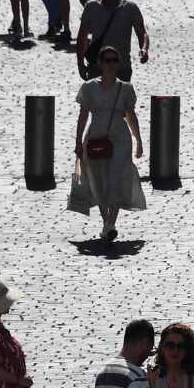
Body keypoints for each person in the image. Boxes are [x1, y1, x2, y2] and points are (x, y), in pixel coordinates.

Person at [73, 47, 145, 245]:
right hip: (96, 137)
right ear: (100, 63)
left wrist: (138, 140)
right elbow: (83, 115)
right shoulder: (88, 88)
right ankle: (106, 222)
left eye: (115, 60)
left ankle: (111, 223)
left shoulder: (126, 89)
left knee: (116, 178)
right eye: (107, 60)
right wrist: (78, 141)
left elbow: (130, 116)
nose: (111, 64)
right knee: (98, 181)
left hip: (120, 138)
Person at [76, 0, 148, 81]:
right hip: (97, 68)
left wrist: (144, 49)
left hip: (122, 68)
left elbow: (142, 33)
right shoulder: (91, 7)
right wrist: (80, 64)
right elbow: (82, 37)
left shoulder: (130, 8)